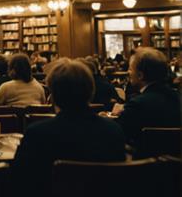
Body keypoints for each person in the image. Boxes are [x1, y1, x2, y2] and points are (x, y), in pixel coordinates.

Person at [12, 59, 125, 194]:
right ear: (91, 91)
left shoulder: (37, 134)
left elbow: (20, 183)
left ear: (53, 96)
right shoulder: (113, 131)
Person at [113, 47, 181, 145]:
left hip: (142, 159)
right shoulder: (177, 98)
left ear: (140, 75)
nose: (128, 72)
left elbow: (117, 136)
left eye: (130, 69)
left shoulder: (137, 105)